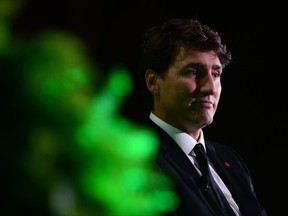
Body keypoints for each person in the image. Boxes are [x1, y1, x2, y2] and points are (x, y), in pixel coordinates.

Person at [137, 18, 267, 216]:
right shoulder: (137, 159)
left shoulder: (230, 159)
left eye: (216, 74)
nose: (210, 88)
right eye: (192, 72)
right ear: (153, 81)